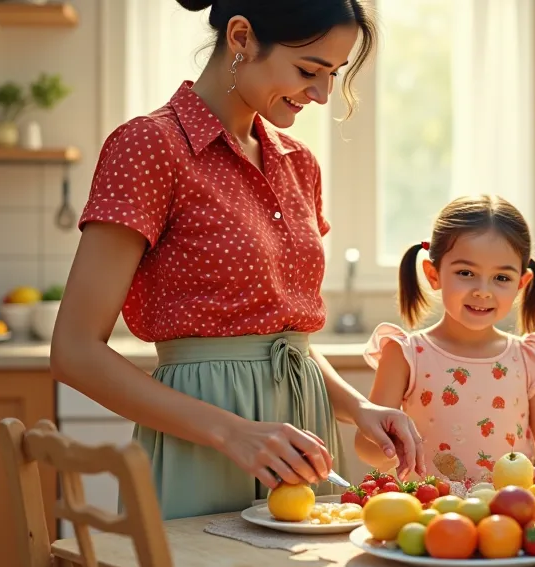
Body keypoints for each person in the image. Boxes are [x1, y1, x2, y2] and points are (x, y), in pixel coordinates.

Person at [50, 0, 424, 521]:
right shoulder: (150, 146)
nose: (321, 95)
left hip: (303, 439)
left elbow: (282, 337)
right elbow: (73, 352)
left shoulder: (300, 165)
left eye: (333, 75)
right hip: (202, 446)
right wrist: (232, 432)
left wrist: (358, 407)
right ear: (242, 37)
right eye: (308, 70)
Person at [355, 195, 535, 491]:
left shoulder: (528, 357)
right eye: (466, 273)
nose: (483, 291)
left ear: (521, 284)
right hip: (429, 516)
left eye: (501, 277)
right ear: (434, 275)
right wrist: (388, 442)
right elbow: (366, 445)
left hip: (506, 515)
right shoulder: (406, 354)